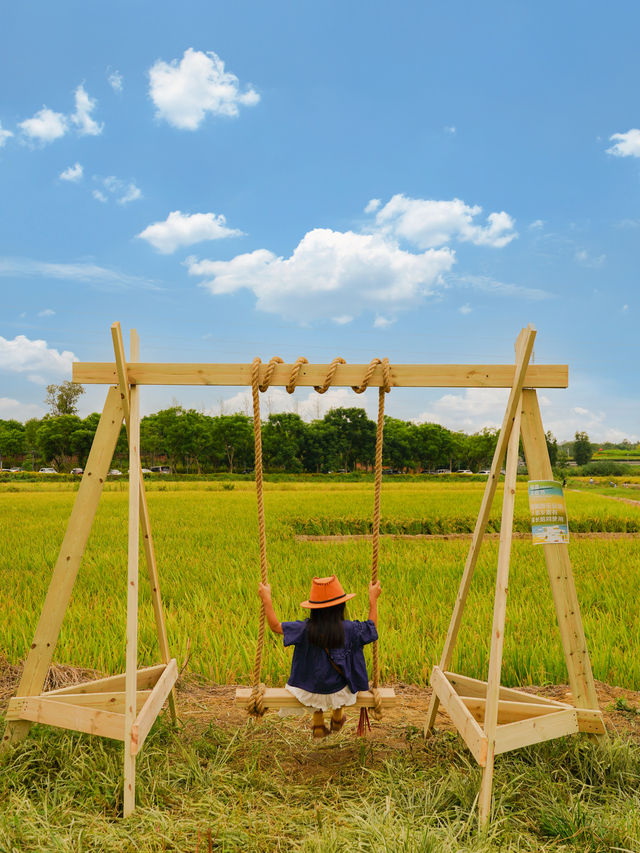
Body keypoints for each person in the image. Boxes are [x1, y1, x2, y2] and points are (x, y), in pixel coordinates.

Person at [258, 574, 381, 738]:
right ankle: (337, 716)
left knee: (314, 682)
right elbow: (371, 627)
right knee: (341, 684)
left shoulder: (304, 628)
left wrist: (267, 598)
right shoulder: (350, 629)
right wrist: (373, 599)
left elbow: (275, 626)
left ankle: (318, 721)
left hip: (309, 692)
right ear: (341, 606)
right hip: (340, 692)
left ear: (313, 609)